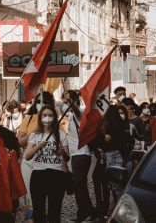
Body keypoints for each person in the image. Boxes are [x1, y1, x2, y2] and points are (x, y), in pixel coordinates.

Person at [24, 105, 69, 223]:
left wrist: (62, 152)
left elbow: (67, 157)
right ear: (40, 117)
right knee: (39, 212)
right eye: (44, 115)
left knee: (55, 211)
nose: (47, 118)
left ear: (54, 118)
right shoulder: (35, 135)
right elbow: (27, 156)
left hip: (57, 175)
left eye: (50, 115)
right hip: (38, 175)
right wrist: (37, 147)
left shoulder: (61, 135)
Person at [17, 91, 55, 223]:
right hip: (28, 163)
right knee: (30, 197)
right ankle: (30, 219)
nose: (41, 104)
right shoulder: (28, 120)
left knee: (45, 198)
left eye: (45, 102)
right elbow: (20, 142)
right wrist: (37, 128)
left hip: (47, 165)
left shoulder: (55, 120)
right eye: (38, 101)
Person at [64, 90, 96, 223]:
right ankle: (85, 213)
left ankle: (87, 213)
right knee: (79, 186)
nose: (65, 104)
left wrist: (71, 102)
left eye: (66, 101)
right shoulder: (70, 116)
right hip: (75, 155)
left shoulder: (81, 111)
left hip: (82, 154)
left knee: (79, 186)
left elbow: (77, 111)